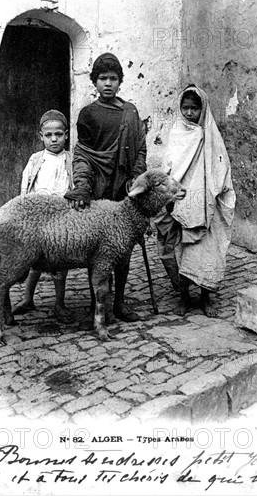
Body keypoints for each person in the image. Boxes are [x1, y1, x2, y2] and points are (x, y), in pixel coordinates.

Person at [64, 53, 147, 322]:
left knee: (123, 251)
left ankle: (120, 303)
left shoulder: (131, 112)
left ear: (120, 82)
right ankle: (97, 304)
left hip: (124, 193)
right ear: (94, 82)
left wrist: (135, 177)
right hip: (99, 194)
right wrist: (83, 187)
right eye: (102, 79)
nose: (108, 84)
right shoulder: (88, 114)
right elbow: (83, 155)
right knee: (99, 254)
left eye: (113, 79)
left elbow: (141, 149)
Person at [155, 84, 236, 317]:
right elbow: (169, 166)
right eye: (185, 108)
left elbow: (221, 167)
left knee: (205, 250)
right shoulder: (176, 133)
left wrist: (217, 190)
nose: (189, 113)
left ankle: (205, 296)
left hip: (205, 204)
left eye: (194, 108)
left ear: (203, 109)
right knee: (180, 248)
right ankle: (183, 296)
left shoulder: (210, 136)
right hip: (181, 201)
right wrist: (169, 192)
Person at [12, 109, 72, 322]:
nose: (54, 139)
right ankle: (28, 298)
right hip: (37, 218)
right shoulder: (36, 160)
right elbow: (26, 186)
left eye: (59, 134)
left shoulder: (71, 161)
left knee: (59, 262)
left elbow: (73, 188)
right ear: (41, 136)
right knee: (34, 260)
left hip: (60, 219)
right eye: (49, 135)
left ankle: (59, 304)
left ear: (66, 134)